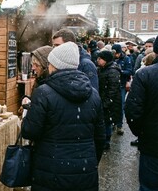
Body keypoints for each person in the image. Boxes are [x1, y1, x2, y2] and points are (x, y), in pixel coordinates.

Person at [21, 41, 105, 191]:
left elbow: (30, 131)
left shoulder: (43, 93)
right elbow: (100, 138)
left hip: (50, 171)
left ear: (53, 65)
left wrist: (27, 114)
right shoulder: (93, 94)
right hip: (85, 170)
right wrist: (89, 162)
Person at [125, 35, 158, 191]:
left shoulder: (145, 74)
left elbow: (133, 110)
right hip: (152, 142)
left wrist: (142, 133)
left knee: (149, 187)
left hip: (153, 145)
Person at [97, 50, 122, 150]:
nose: (98, 60)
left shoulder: (112, 71)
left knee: (107, 121)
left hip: (109, 102)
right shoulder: (102, 69)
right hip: (104, 99)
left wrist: (106, 103)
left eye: (100, 58)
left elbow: (112, 89)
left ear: (106, 60)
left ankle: (106, 141)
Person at [111, 43, 133, 135]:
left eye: (116, 54)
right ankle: (113, 123)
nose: (115, 56)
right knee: (111, 104)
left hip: (121, 85)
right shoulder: (111, 58)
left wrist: (120, 71)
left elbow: (129, 71)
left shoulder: (126, 59)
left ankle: (119, 125)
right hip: (112, 85)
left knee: (120, 105)